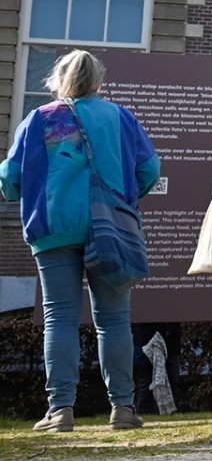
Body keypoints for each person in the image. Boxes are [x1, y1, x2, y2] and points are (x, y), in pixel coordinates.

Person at [0, 50, 161, 432]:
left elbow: (10, 179)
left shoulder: (38, 119)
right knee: (114, 319)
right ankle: (123, 407)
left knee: (59, 316)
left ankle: (60, 410)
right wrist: (122, 198)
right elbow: (150, 169)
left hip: (54, 227)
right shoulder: (120, 117)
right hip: (110, 227)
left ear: (58, 80)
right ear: (98, 82)